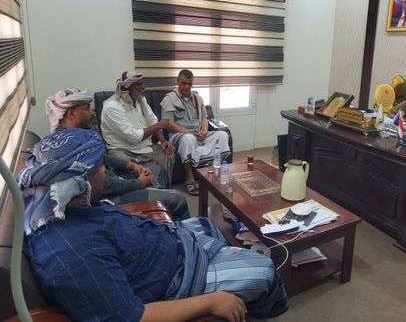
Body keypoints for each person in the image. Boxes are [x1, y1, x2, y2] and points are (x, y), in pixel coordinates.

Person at [20, 128, 289, 322]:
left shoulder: (68, 209)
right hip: (174, 279)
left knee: (206, 224)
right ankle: (256, 311)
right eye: (99, 166)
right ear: (78, 179)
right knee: (265, 270)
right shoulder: (71, 253)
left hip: (169, 249)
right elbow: (131, 317)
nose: (105, 171)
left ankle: (232, 275)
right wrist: (212, 301)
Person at [45, 88, 190, 220]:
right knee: (178, 199)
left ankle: (160, 217)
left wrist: (131, 165)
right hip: (107, 200)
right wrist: (139, 183)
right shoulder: (72, 145)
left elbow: (103, 157)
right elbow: (103, 186)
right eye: (87, 108)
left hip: (112, 181)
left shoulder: (69, 137)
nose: (93, 112)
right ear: (71, 113)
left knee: (156, 171)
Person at [101, 72, 181, 188]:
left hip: (144, 147)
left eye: (142, 83)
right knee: (124, 163)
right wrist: (160, 125)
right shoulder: (111, 107)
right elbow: (133, 137)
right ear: (127, 87)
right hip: (122, 150)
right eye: (138, 84)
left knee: (169, 152)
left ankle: (160, 190)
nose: (143, 88)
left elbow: (153, 121)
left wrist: (163, 141)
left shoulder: (140, 100)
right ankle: (151, 192)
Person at [161, 69, 230, 195]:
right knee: (188, 139)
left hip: (198, 134)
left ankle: (212, 173)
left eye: (189, 84)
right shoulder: (169, 99)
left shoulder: (198, 98)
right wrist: (190, 134)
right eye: (184, 83)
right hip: (179, 136)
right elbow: (169, 124)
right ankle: (189, 178)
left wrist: (204, 131)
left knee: (222, 135)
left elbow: (204, 118)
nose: (187, 87)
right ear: (178, 82)